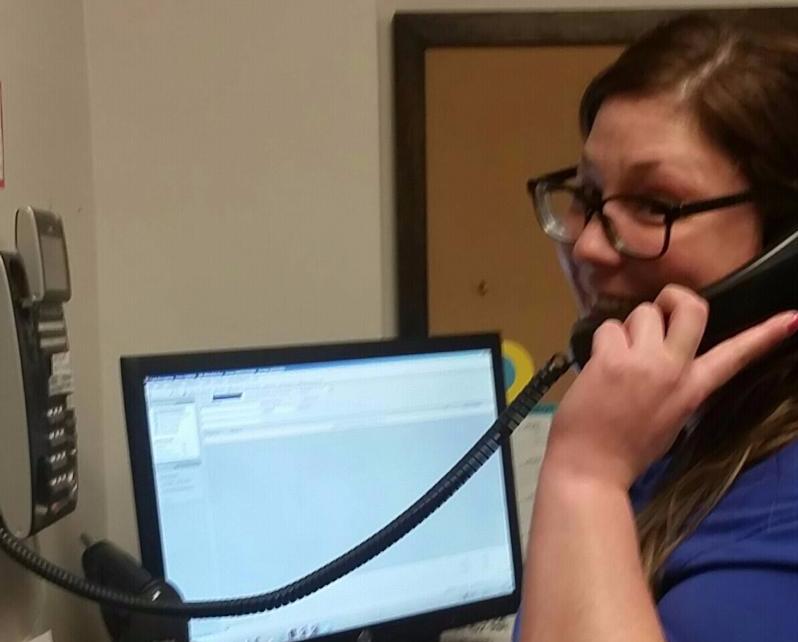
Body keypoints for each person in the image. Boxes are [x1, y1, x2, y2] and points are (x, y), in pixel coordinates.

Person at [514, 13, 798, 642]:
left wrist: (585, 475)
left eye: (652, 205)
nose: (588, 245)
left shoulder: (780, 519)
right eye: (586, 195)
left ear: (785, 248)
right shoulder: (667, 432)